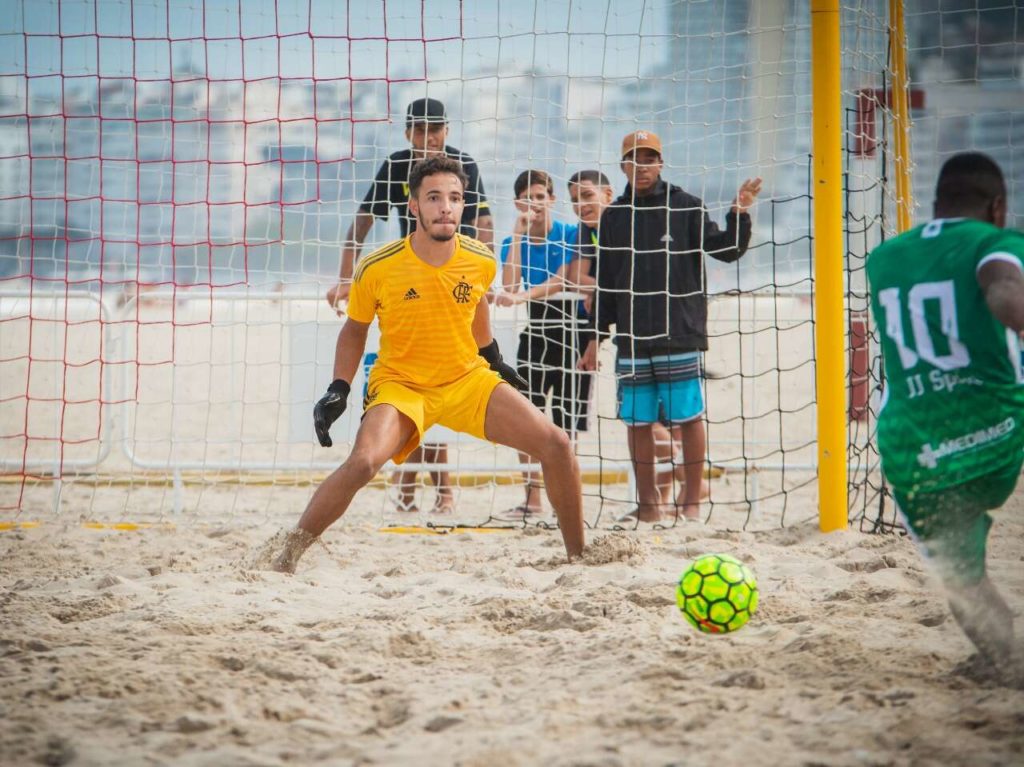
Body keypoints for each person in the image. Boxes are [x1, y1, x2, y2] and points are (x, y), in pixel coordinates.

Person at [269, 157, 585, 573]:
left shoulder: (480, 258)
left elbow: (475, 309)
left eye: (454, 198)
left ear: (464, 205)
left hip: (466, 379)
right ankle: (285, 557)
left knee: (557, 444)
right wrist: (339, 389)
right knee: (363, 463)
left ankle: (580, 558)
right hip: (401, 385)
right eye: (434, 197)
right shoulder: (379, 266)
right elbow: (354, 331)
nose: (445, 207)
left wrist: (494, 359)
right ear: (414, 206)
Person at [866, 152, 1024, 671]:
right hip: (999, 428)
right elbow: (1001, 288)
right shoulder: (996, 243)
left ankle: (1005, 661)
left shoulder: (884, 257)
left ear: (936, 206)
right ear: (997, 206)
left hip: (918, 448)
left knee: (961, 575)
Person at [578, 130, 762, 523]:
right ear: (623, 165)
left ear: (661, 162)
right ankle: (649, 507)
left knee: (688, 418)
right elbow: (605, 283)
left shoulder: (687, 207)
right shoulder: (613, 217)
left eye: (649, 158)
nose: (641, 166)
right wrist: (594, 338)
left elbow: (727, 250)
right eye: (633, 159)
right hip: (631, 337)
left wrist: (739, 213)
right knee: (637, 421)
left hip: (680, 331)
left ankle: (692, 502)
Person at [327, 97, 495, 514]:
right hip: (412, 278)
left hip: (460, 283)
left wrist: (488, 281)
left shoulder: (465, 165)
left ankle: (439, 490)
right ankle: (415, 488)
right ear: (408, 134)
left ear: (447, 131)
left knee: (443, 388)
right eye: (420, 130)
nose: (428, 136)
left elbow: (486, 223)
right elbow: (361, 223)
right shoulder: (397, 166)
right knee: (412, 393)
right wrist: (347, 277)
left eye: (435, 129)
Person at [567, 170, 709, 507]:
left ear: (606, 192)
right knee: (643, 419)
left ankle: (688, 488)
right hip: (630, 335)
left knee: (675, 420)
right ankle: (660, 497)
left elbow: (587, 279)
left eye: (587, 196)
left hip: (673, 330)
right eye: (575, 200)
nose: (582, 205)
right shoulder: (595, 228)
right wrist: (594, 331)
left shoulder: (657, 212)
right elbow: (588, 278)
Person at [494, 170, 587, 520]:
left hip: (571, 330)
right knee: (527, 419)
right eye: (528, 197)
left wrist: (522, 297)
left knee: (567, 424)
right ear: (519, 202)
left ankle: (565, 503)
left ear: (552, 199)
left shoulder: (570, 234)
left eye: (541, 196)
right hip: (535, 330)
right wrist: (518, 233)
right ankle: (531, 500)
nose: (535, 203)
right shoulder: (511, 241)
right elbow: (509, 284)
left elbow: (563, 278)